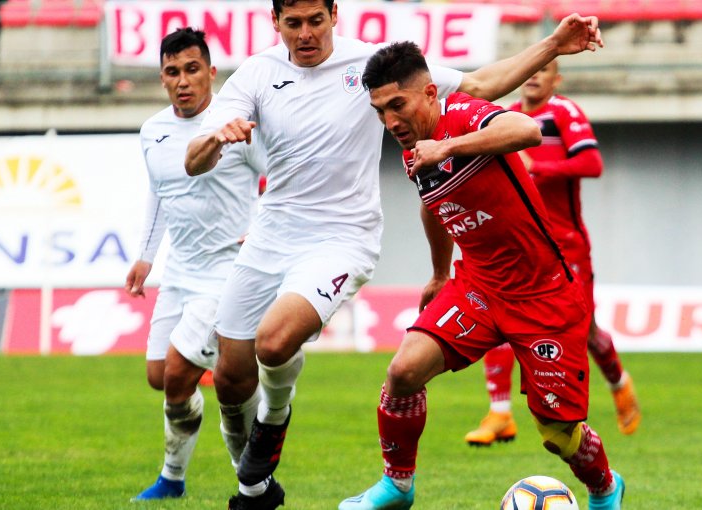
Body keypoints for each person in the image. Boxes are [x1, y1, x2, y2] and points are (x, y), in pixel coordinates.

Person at [184, 1, 603, 508]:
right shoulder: (259, 74)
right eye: (293, 23)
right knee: (235, 378)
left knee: (273, 344)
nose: (305, 33)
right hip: (287, 237)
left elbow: (488, 95)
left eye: (315, 20)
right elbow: (195, 161)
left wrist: (553, 46)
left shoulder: (387, 78)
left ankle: (274, 418)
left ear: (334, 14)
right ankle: (289, 486)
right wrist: (215, 138)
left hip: (353, 240)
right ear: (275, 22)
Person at [340, 41, 624, 510]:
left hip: (543, 293)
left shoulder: (463, 116)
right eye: (380, 111)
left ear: (430, 94)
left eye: (398, 105)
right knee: (403, 371)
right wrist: (436, 272)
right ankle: (397, 486)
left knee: (557, 433)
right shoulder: (414, 151)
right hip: (478, 285)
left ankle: (605, 486)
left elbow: (527, 129)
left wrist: (447, 146)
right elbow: (433, 204)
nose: (390, 122)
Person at [464, 60, 641, 447]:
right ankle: (499, 412)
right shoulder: (506, 118)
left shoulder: (563, 111)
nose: (534, 75)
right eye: (530, 69)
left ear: (555, 78)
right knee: (501, 320)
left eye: (544, 70)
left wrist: (538, 166)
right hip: (522, 245)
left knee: (587, 330)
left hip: (566, 244)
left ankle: (619, 381)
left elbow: (592, 163)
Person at [124, 27, 264, 501]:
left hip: (227, 273)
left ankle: (195, 478)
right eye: (172, 72)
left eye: (192, 69)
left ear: (211, 72)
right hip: (179, 272)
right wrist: (146, 257)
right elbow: (159, 193)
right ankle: (238, 381)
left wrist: (263, 229)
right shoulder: (153, 131)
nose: (183, 80)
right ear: (162, 79)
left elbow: (283, 178)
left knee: (180, 375)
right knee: (159, 377)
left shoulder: (237, 126)